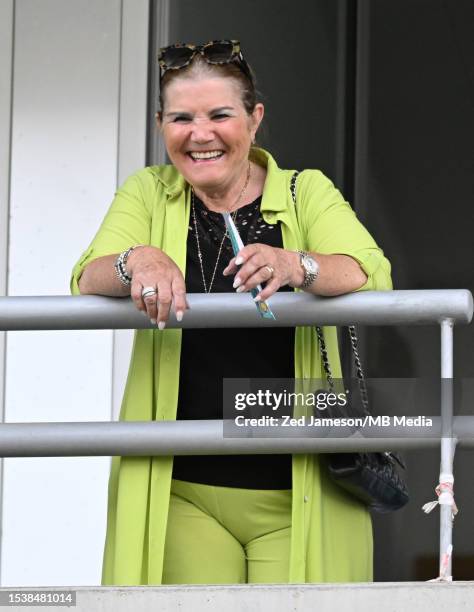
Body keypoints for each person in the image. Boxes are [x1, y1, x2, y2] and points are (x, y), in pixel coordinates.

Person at [70, 39, 392, 585]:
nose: (201, 134)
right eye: (181, 118)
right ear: (160, 124)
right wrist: (137, 259)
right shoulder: (149, 192)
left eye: (221, 114)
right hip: (182, 490)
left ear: (254, 118)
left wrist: (298, 265)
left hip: (301, 491)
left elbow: (369, 271)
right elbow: (87, 276)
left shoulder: (304, 190)